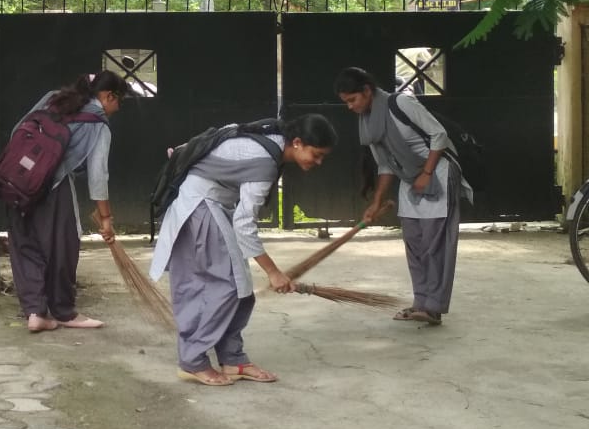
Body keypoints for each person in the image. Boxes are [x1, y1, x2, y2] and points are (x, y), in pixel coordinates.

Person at [150, 114, 337, 387]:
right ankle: (192, 361)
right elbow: (245, 225)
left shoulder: (271, 138)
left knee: (240, 290)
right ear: (297, 143)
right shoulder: (265, 161)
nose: (318, 162)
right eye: (316, 154)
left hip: (210, 205)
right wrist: (273, 272)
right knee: (227, 288)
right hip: (200, 206)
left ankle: (233, 358)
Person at [334, 66, 473, 327]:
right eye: (346, 103)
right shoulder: (368, 123)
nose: (350, 107)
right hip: (409, 178)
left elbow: (439, 135)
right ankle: (420, 302)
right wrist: (376, 202)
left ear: (367, 91)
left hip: (437, 172)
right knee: (415, 243)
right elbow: (385, 165)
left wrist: (427, 173)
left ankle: (434, 308)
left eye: (353, 100)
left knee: (434, 244)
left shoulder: (401, 104)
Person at [7, 70, 132, 333]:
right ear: (109, 96)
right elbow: (98, 176)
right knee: (63, 246)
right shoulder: (98, 125)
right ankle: (64, 311)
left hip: (16, 179)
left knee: (25, 244)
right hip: (55, 185)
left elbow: (18, 129)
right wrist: (105, 218)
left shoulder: (53, 98)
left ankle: (34, 312)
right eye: (119, 101)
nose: (118, 108)